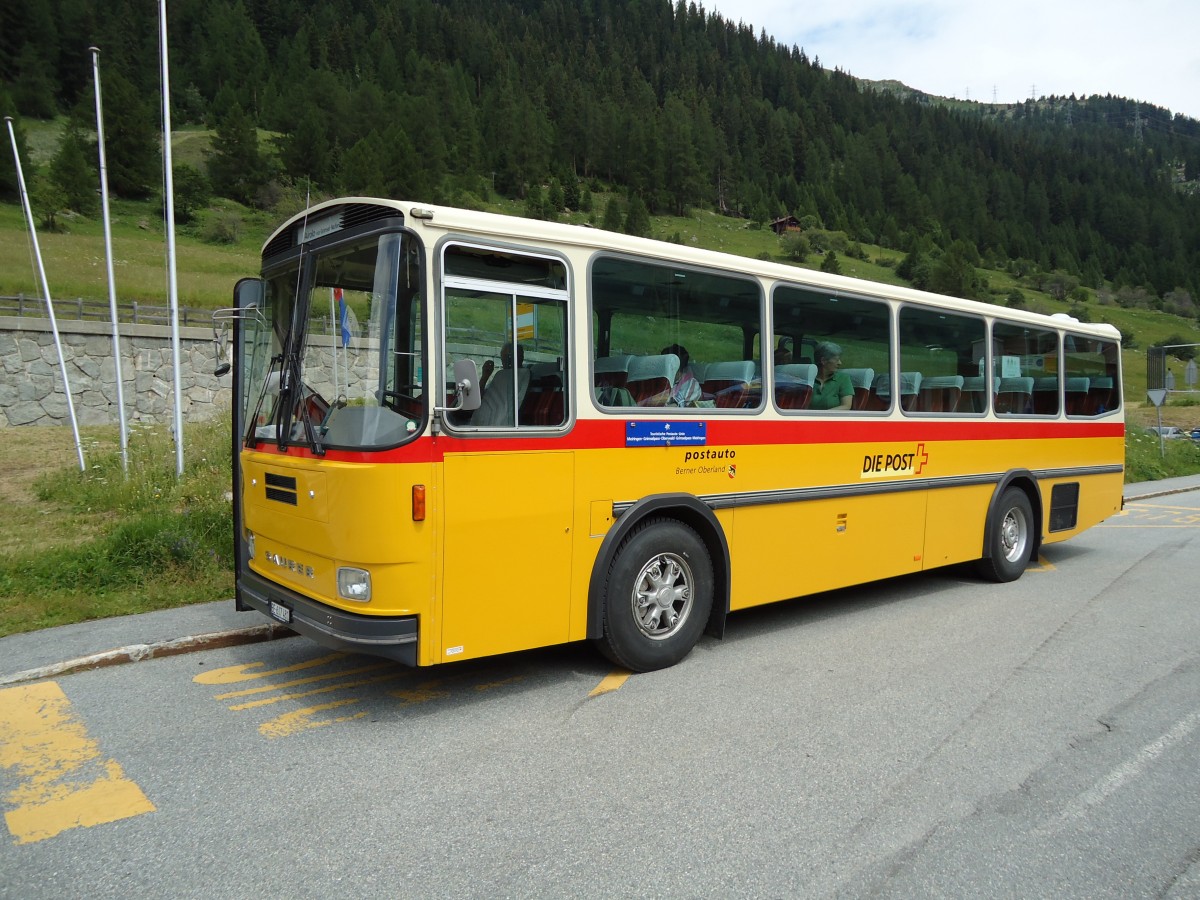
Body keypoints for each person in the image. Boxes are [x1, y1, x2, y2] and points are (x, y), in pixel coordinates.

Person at [810, 341, 853, 410]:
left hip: (832, 417)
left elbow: (846, 406)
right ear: (823, 360)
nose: (840, 363)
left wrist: (824, 415)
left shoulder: (843, 379)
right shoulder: (808, 378)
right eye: (837, 360)